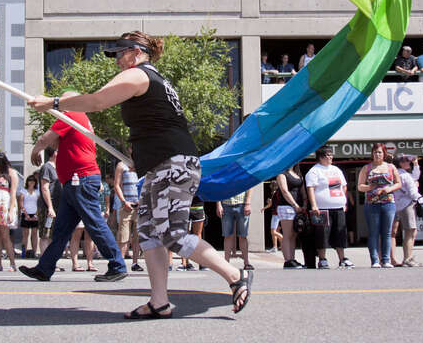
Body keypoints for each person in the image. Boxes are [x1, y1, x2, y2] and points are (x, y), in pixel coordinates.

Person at [27, 31, 253, 317]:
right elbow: (155, 125)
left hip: (173, 164)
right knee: (149, 234)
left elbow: (96, 102)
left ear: (136, 52)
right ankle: (159, 302)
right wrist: (142, 158)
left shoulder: (139, 75)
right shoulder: (152, 79)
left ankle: (235, 275)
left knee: (172, 234)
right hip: (162, 164)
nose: (117, 61)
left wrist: (53, 103)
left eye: (120, 54)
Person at [21, 92, 127, 281]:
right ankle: (44, 268)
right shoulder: (82, 118)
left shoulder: (71, 115)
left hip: (80, 179)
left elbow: (45, 139)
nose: (59, 106)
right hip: (76, 180)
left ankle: (117, 265)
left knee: (94, 222)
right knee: (62, 230)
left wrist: (36, 150)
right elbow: (56, 140)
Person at [307, 146, 353, 269]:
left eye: (331, 155)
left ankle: (342, 258)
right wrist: (314, 205)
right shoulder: (314, 171)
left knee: (340, 233)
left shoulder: (336, 170)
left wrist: (344, 202)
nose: (330, 157)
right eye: (327, 155)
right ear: (321, 157)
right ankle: (322, 259)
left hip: (338, 207)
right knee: (322, 234)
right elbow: (310, 188)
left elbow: (343, 186)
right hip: (322, 208)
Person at [357, 143, 401, 268]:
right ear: (372, 154)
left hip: (388, 202)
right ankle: (375, 260)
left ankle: (386, 260)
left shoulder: (391, 167)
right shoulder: (367, 168)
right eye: (375, 152)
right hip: (372, 203)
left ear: (384, 154)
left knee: (387, 232)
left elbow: (398, 183)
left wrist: (389, 189)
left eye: (380, 152)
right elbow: (360, 186)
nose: (377, 154)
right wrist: (369, 187)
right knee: (373, 232)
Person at [391, 155, 423, 267]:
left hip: (399, 205)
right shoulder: (404, 175)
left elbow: (415, 176)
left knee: (410, 231)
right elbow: (412, 191)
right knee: (410, 231)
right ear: (399, 163)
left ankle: (408, 257)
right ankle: (407, 258)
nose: (408, 162)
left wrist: (416, 164)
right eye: (405, 161)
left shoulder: (399, 173)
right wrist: (420, 199)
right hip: (407, 205)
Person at [113, 154, 143, 271]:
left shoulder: (141, 165)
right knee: (123, 237)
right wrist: (124, 201)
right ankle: (121, 263)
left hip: (139, 205)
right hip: (127, 205)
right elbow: (116, 185)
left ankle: (135, 263)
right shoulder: (121, 165)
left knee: (137, 237)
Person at [276, 164, 306, 269]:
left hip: (298, 207)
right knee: (287, 234)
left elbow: (302, 190)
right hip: (286, 206)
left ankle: (292, 259)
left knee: (293, 234)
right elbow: (284, 191)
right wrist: (294, 205)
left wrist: (305, 203)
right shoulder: (282, 174)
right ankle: (287, 260)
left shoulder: (298, 174)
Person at [217, 188, 254, 271]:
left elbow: (250, 185)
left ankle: (246, 262)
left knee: (243, 235)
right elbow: (219, 186)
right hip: (226, 204)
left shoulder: (243, 174)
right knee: (227, 235)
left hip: (242, 203)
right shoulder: (224, 174)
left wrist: (248, 203)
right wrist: (218, 204)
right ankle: (226, 263)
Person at [37, 148, 61, 255]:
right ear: (54, 153)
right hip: (47, 207)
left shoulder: (59, 167)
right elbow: (44, 188)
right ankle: (44, 261)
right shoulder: (47, 167)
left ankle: (50, 262)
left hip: (58, 205)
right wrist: (50, 207)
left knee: (53, 235)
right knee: (45, 234)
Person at [19, 174, 40, 259]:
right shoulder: (23, 191)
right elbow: (21, 203)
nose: (31, 183)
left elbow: (39, 203)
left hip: (35, 213)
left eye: (33, 181)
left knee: (34, 233)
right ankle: (24, 252)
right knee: (25, 234)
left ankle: (34, 252)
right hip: (26, 213)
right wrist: (25, 214)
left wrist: (37, 214)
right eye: (30, 181)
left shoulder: (37, 192)